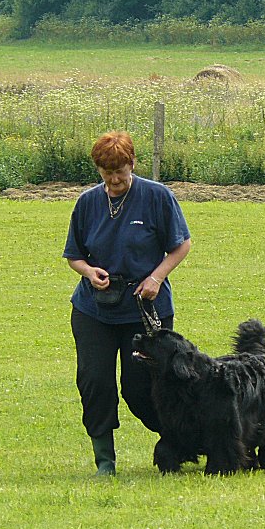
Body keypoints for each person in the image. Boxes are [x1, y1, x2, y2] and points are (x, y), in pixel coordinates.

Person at [63, 131, 191, 476]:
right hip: (95, 309)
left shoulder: (157, 197)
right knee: (95, 383)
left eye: (121, 171)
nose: (115, 179)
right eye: (108, 173)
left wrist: (156, 278)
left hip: (145, 309)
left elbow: (182, 244)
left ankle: (182, 442)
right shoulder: (88, 203)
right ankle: (105, 461)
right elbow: (73, 255)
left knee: (142, 389)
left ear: (133, 163)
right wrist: (89, 272)